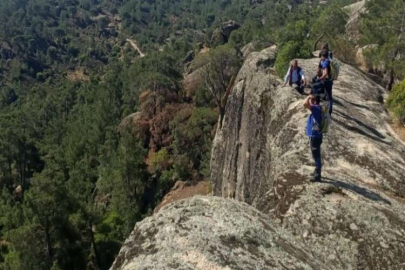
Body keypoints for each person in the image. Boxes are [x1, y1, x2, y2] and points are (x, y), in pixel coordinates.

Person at [304, 94, 323, 182]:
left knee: (316, 155)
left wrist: (308, 97)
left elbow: (305, 104)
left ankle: (317, 175)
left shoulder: (316, 108)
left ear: (314, 101)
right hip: (317, 135)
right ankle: (316, 171)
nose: (310, 101)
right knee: (316, 154)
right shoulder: (319, 108)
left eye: (312, 100)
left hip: (315, 135)